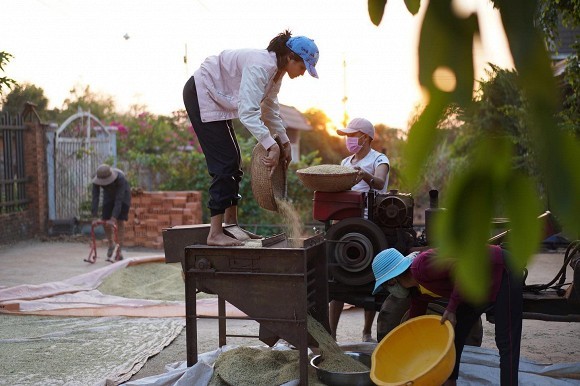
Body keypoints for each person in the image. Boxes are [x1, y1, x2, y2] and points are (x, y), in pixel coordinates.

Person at [183, 30, 319, 246]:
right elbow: (248, 112)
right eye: (302, 67)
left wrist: (283, 140)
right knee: (224, 164)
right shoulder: (261, 66)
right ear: (291, 57)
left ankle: (231, 225)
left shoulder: (277, 72)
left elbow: (269, 108)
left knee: (234, 162)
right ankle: (215, 234)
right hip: (202, 93)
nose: (302, 73)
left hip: (217, 99)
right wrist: (270, 145)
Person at [372, 247, 523, 385]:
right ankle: (450, 382)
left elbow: (460, 268)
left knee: (506, 340)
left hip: (500, 269)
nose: (389, 290)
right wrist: (405, 351)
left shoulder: (421, 266)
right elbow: (413, 322)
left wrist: (451, 308)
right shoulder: (417, 292)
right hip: (473, 287)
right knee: (455, 336)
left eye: (386, 286)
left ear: (392, 280)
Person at [329, 117, 390, 342]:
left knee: (372, 280)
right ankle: (331, 334)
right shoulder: (345, 162)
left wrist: (365, 175)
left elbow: (380, 182)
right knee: (337, 278)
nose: (348, 140)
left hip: (372, 227)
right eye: (347, 136)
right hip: (346, 226)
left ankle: (366, 332)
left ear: (365, 138)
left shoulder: (379, 159)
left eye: (352, 136)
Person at [91, 164, 131, 260]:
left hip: (123, 196)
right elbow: (95, 198)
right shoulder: (96, 179)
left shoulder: (120, 179)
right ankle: (111, 244)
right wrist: (94, 217)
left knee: (120, 221)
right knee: (105, 219)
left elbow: (119, 199)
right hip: (109, 195)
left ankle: (119, 250)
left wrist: (113, 218)